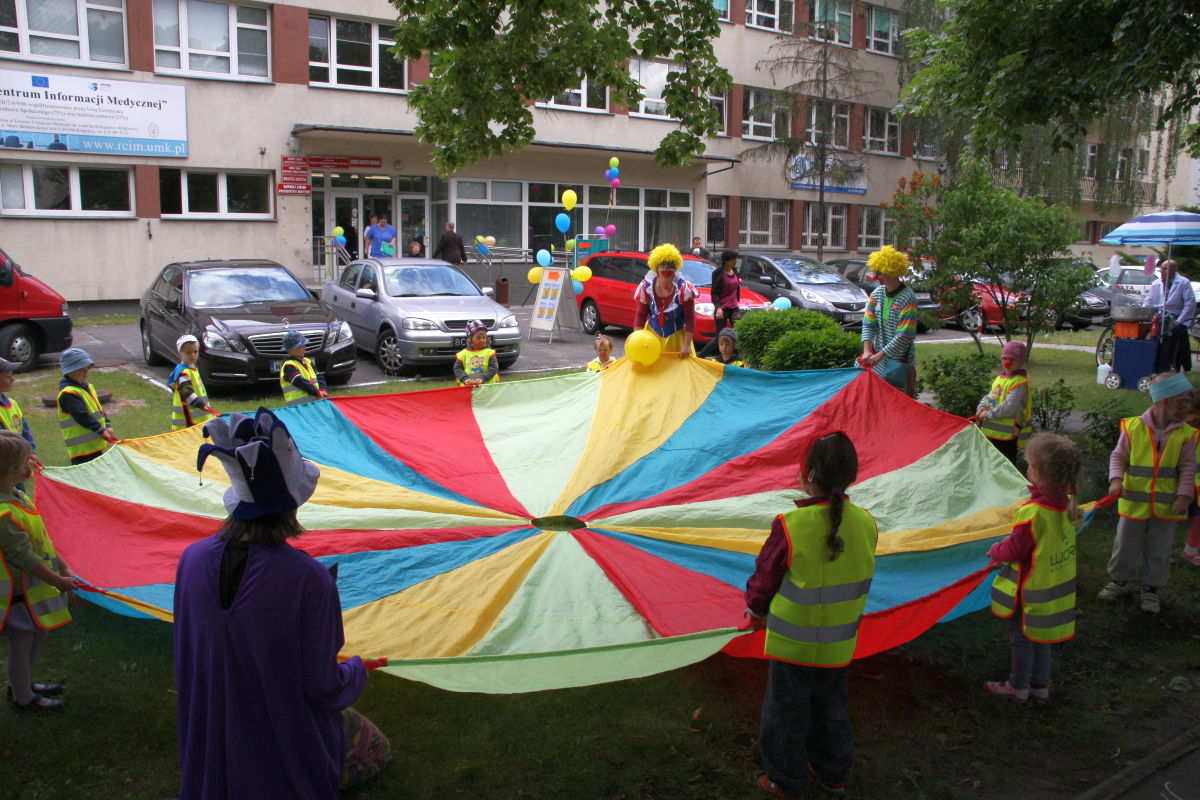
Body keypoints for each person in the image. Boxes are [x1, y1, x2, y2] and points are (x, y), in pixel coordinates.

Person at [177, 408, 390, 798]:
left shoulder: (191, 560)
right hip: (284, 742)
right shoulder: (308, 579)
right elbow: (324, 688)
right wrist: (356, 671)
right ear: (293, 504)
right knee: (377, 749)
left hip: (212, 740)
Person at [740, 431, 876, 800]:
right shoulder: (867, 523)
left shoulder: (791, 524)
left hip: (792, 645)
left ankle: (785, 781)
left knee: (785, 712)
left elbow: (766, 576)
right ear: (852, 475)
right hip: (838, 645)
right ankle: (832, 774)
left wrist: (755, 611)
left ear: (806, 476)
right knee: (832, 708)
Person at [984, 433, 1082, 703]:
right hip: (1052, 591)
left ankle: (1017, 687)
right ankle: (1040, 686)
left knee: (1021, 638)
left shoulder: (1034, 512)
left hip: (1028, 592)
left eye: (1028, 464)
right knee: (1041, 638)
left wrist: (995, 550)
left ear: (1038, 472)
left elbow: (1016, 549)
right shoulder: (1068, 506)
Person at [1104, 372, 1196, 613]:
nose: (1188, 407)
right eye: (1184, 402)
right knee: (1125, 545)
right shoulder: (1133, 427)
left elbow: (1188, 468)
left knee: (1159, 550)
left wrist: (1184, 497)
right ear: (1166, 402)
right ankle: (1119, 582)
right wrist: (1116, 480)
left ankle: (1151, 589)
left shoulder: (1187, 434)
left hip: (1166, 507)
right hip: (1133, 503)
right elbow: (1118, 456)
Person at [0, 430, 77, 711]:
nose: (31, 463)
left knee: (39, 632)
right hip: (17, 594)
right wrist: (58, 581)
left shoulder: (19, 498)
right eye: (24, 461)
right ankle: (23, 698)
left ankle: (23, 682)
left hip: (33, 588)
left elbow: (42, 538)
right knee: (22, 641)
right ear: (8, 469)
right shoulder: (4, 515)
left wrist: (63, 565)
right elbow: (25, 558)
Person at [860, 246, 918, 394]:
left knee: (899, 400)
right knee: (875, 396)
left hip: (900, 362)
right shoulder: (877, 294)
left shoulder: (908, 298)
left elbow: (904, 335)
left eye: (880, 273)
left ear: (891, 272)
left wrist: (881, 355)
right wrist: (867, 351)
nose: (876, 276)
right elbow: (869, 324)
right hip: (878, 358)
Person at [633, 244, 698, 360]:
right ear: (656, 266)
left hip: (677, 340)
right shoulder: (646, 286)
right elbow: (641, 314)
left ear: (676, 266)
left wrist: (687, 345)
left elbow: (690, 317)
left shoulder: (683, 288)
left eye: (670, 264)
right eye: (662, 264)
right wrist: (636, 340)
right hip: (651, 338)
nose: (666, 268)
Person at [56, 348, 116, 465]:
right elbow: (81, 415)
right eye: (81, 369)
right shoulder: (69, 393)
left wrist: (107, 424)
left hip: (93, 444)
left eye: (88, 368)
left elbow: (99, 409)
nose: (86, 372)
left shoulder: (88, 387)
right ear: (68, 371)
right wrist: (100, 430)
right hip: (81, 449)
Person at [976, 341, 1032, 465]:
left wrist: (989, 414)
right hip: (991, 432)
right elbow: (991, 396)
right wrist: (982, 406)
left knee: (1005, 464)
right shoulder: (1000, 379)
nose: (1008, 363)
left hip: (1007, 436)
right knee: (990, 462)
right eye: (1005, 359)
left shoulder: (1019, 383)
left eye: (1013, 360)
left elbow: (1010, 406)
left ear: (1021, 362)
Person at [1142, 258, 1196, 372]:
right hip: (1158, 316)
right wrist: (1143, 315)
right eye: (1161, 269)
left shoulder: (1183, 282)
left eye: (1165, 269)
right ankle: (1148, 362)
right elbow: (1148, 302)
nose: (1162, 271)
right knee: (1143, 331)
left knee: (1171, 333)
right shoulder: (1156, 283)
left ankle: (1167, 364)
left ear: (1175, 269)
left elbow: (1190, 303)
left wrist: (1180, 321)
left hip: (1175, 317)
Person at [0, 356, 39, 492]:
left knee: (20, 494)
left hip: (18, 464)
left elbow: (24, 430)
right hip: (6, 468)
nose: (13, 380)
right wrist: (23, 457)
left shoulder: (13, 404)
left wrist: (31, 451)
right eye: (7, 377)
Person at [699, 248, 741, 359]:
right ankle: (701, 355)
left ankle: (736, 357)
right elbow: (714, 293)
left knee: (739, 334)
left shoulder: (734, 271)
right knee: (719, 337)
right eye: (733, 259)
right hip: (722, 308)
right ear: (726, 260)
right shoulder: (718, 273)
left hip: (734, 309)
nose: (735, 261)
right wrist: (718, 307)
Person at [170, 335, 217, 431]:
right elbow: (188, 393)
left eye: (195, 352)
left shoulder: (192, 369)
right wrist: (201, 405)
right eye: (188, 352)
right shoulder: (183, 373)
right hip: (188, 420)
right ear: (180, 353)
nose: (193, 355)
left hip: (197, 416)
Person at [280, 331, 328, 406]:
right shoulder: (288, 365)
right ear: (291, 349)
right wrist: (317, 392)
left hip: (314, 404)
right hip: (299, 407)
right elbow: (300, 382)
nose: (305, 348)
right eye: (301, 346)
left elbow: (319, 376)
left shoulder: (308, 361)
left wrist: (323, 389)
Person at [454, 320, 499, 386]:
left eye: (484, 337)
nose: (481, 340)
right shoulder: (464, 354)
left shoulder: (489, 352)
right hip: (468, 388)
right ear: (470, 338)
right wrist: (465, 379)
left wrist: (483, 378)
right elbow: (457, 368)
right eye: (478, 338)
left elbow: (493, 367)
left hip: (486, 388)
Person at [1182, 405, 1200, 567]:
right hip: (1179, 482)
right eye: (1194, 421)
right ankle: (1162, 550)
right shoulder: (1180, 432)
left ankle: (1191, 549)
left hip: (1198, 484)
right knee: (1169, 517)